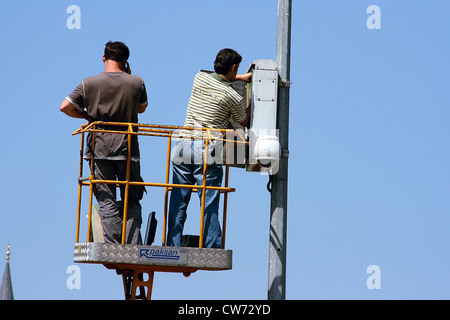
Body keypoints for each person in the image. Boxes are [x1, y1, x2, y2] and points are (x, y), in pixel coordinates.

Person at [60, 41, 148, 244]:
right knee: (131, 197)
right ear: (125, 61)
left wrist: (86, 115)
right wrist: (129, 74)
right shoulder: (136, 82)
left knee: (106, 198)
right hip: (127, 150)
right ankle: (132, 244)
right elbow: (141, 109)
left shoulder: (88, 83)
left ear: (103, 57)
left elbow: (65, 107)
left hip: (99, 149)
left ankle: (113, 245)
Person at [167, 48, 251, 248]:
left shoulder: (199, 78)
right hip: (207, 149)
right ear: (233, 67)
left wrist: (237, 77)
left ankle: (172, 245)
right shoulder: (233, 97)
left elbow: (214, 76)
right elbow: (244, 121)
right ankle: (211, 244)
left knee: (178, 202)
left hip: (182, 145)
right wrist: (250, 100)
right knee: (209, 202)